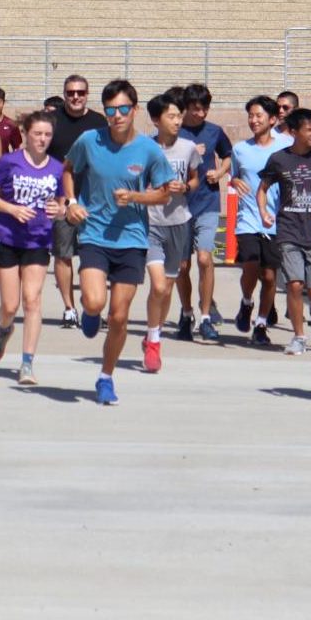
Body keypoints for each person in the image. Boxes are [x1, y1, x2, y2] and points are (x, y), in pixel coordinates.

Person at [62, 79, 172, 405]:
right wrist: (71, 202)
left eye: (124, 108)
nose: (117, 115)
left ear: (135, 110)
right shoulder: (89, 140)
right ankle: (90, 313)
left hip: (132, 241)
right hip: (95, 233)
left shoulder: (149, 150)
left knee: (120, 317)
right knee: (95, 303)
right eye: (111, 110)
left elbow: (164, 193)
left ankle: (105, 377)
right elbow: (68, 170)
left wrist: (136, 196)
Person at [0, 111, 65, 384]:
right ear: (26, 134)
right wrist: (11, 209)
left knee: (33, 300)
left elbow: (63, 204)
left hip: (38, 240)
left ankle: (27, 363)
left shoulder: (57, 168)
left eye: (47, 135)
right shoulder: (9, 162)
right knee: (10, 304)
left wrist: (59, 209)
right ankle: (5, 328)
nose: (42, 139)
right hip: (8, 238)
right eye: (37, 134)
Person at [256, 108, 311, 355]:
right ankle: (299, 336)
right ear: (294, 132)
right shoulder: (279, 159)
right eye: (310, 129)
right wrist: (263, 212)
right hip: (288, 230)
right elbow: (262, 189)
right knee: (294, 284)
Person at [141, 91, 200, 372]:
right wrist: (150, 192)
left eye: (180, 116)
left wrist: (185, 187)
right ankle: (154, 343)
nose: (178, 121)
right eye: (172, 116)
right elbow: (133, 182)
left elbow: (194, 178)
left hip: (179, 222)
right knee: (159, 285)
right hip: (150, 223)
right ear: (156, 119)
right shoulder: (143, 147)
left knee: (167, 289)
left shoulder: (188, 148)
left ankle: (155, 331)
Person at [46, 75, 106, 329]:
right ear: (64, 93)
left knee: (96, 256)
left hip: (94, 200)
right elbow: (39, 153)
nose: (75, 97)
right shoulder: (52, 120)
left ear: (87, 94)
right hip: (61, 199)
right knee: (63, 254)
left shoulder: (98, 122)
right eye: (70, 93)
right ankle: (69, 308)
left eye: (80, 92)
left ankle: (93, 307)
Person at [177, 83, 232, 341]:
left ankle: (206, 316)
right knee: (182, 265)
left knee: (204, 258)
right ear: (186, 108)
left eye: (205, 109)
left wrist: (220, 172)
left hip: (208, 202)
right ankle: (186, 313)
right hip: (179, 206)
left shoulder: (215, 132)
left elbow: (228, 155)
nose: (201, 114)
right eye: (196, 109)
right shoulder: (175, 131)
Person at [230, 96, 283, 345]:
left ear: (272, 119)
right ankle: (247, 301)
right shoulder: (240, 149)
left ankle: (261, 324)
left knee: (270, 276)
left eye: (259, 115)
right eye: (251, 115)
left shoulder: (286, 146)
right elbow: (234, 177)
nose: (254, 120)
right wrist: (233, 181)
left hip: (276, 221)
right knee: (250, 264)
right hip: (248, 218)